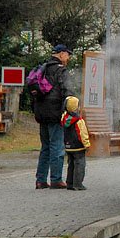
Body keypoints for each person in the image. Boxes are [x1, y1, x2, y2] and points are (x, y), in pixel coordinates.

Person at [33, 44, 75, 189]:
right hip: (55, 113)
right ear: (61, 54)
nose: (68, 58)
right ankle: (56, 179)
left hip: (41, 113)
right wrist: (71, 108)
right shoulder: (61, 70)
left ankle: (40, 180)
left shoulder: (43, 68)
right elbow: (67, 91)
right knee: (57, 146)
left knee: (45, 147)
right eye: (67, 54)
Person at [61, 95, 90, 191]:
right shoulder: (79, 120)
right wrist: (87, 144)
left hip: (68, 146)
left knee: (71, 165)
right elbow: (83, 133)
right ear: (76, 107)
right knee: (80, 164)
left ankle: (69, 183)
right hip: (78, 146)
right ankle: (78, 184)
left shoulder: (64, 118)